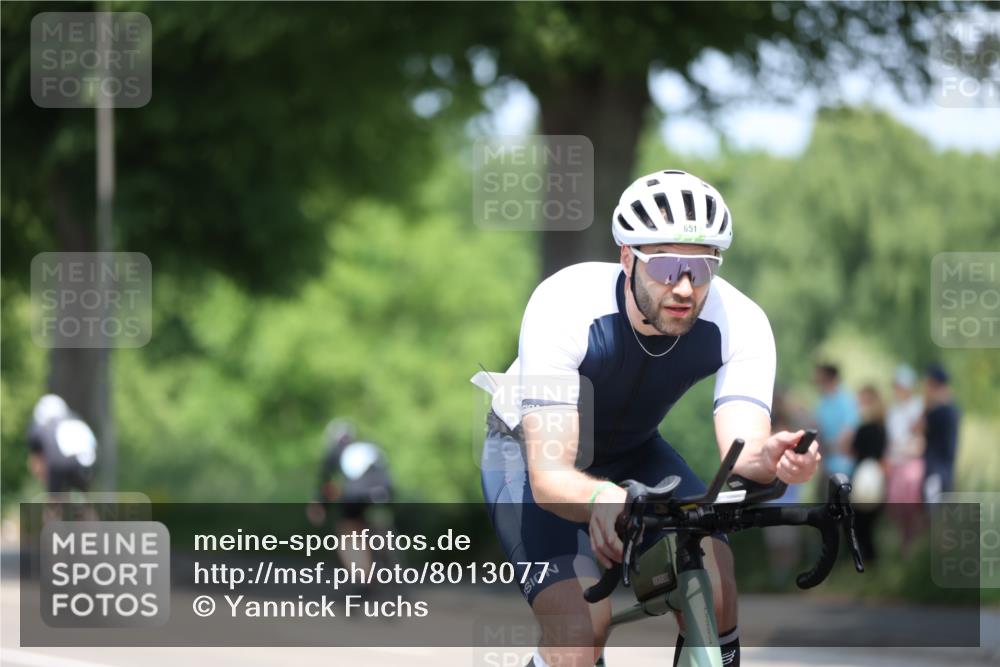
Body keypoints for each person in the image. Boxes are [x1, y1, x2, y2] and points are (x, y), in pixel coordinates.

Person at [475, 170, 821, 667]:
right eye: (665, 267)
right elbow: (551, 478)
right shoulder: (564, 304)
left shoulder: (741, 322)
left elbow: (743, 452)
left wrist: (772, 460)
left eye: (701, 270)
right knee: (579, 631)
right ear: (627, 258)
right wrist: (600, 496)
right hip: (529, 454)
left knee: (716, 586)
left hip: (635, 450)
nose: (683, 286)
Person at [306, 419, 393, 571]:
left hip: (356, 494)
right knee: (377, 521)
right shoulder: (368, 445)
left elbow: (326, 485)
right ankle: (386, 551)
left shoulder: (335, 451)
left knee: (348, 534)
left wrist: (321, 505)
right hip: (385, 490)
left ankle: (364, 577)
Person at [884, 364, 925, 554]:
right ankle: (905, 546)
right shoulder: (893, 411)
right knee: (896, 507)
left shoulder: (918, 406)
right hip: (896, 463)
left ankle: (915, 547)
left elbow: (919, 439)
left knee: (912, 507)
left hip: (911, 463)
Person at [26, 394, 97, 494]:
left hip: (59, 464)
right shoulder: (77, 419)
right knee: (85, 501)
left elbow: (35, 458)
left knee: (55, 502)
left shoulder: (43, 426)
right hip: (87, 464)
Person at [849, 385, 887, 563]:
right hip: (877, 479)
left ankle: (863, 560)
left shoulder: (863, 429)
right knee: (870, 525)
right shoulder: (882, 429)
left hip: (862, 479)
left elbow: (853, 450)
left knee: (859, 525)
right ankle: (872, 562)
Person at [921, 364, 960, 503]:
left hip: (936, 472)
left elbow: (919, 428)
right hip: (944, 471)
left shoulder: (939, 411)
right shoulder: (953, 409)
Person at [812, 363, 859, 477]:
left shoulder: (846, 399)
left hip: (843, 465)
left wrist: (831, 447)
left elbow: (848, 431)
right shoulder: (823, 402)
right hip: (826, 463)